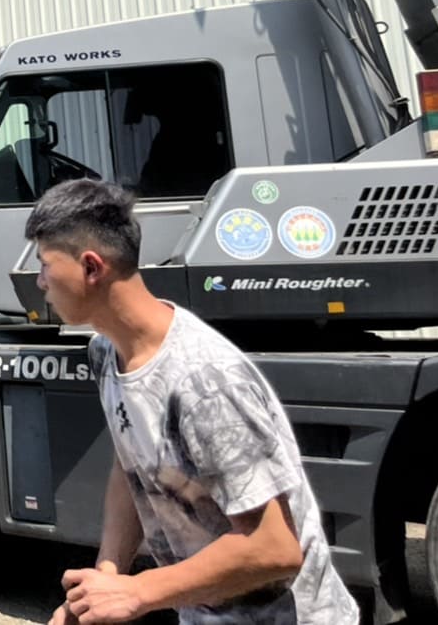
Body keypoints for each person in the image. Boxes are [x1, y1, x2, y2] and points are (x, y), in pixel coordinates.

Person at [25, 179, 356, 625]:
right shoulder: (107, 353)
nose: (40, 280)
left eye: (46, 264)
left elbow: (275, 548)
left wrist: (138, 592)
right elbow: (132, 468)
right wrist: (102, 582)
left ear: (91, 267)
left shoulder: (204, 382)